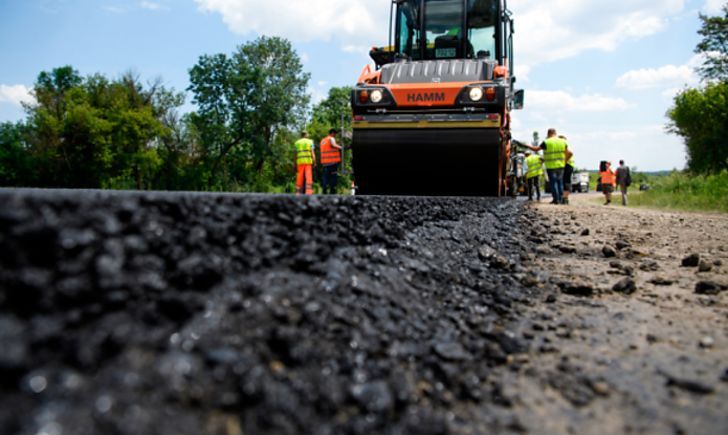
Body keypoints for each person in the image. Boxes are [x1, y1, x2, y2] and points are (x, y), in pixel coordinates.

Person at [525, 128, 573, 204]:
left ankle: (556, 199)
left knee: (553, 183)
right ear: (555, 133)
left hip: (551, 166)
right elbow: (570, 153)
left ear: (548, 133)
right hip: (561, 165)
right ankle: (561, 199)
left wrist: (526, 145)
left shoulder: (546, 142)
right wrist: (564, 161)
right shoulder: (562, 141)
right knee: (560, 182)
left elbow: (536, 149)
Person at [319, 128, 342, 195]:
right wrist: (342, 148)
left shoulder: (323, 140)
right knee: (333, 177)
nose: (335, 135)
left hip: (325, 162)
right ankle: (332, 191)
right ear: (332, 133)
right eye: (335, 134)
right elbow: (333, 145)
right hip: (332, 162)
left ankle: (324, 190)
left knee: (325, 177)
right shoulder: (331, 138)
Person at [560, 135, 575, 205]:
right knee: (566, 181)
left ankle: (565, 198)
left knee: (565, 181)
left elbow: (570, 154)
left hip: (567, 165)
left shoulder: (564, 146)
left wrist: (564, 162)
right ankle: (564, 198)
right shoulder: (566, 145)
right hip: (569, 165)